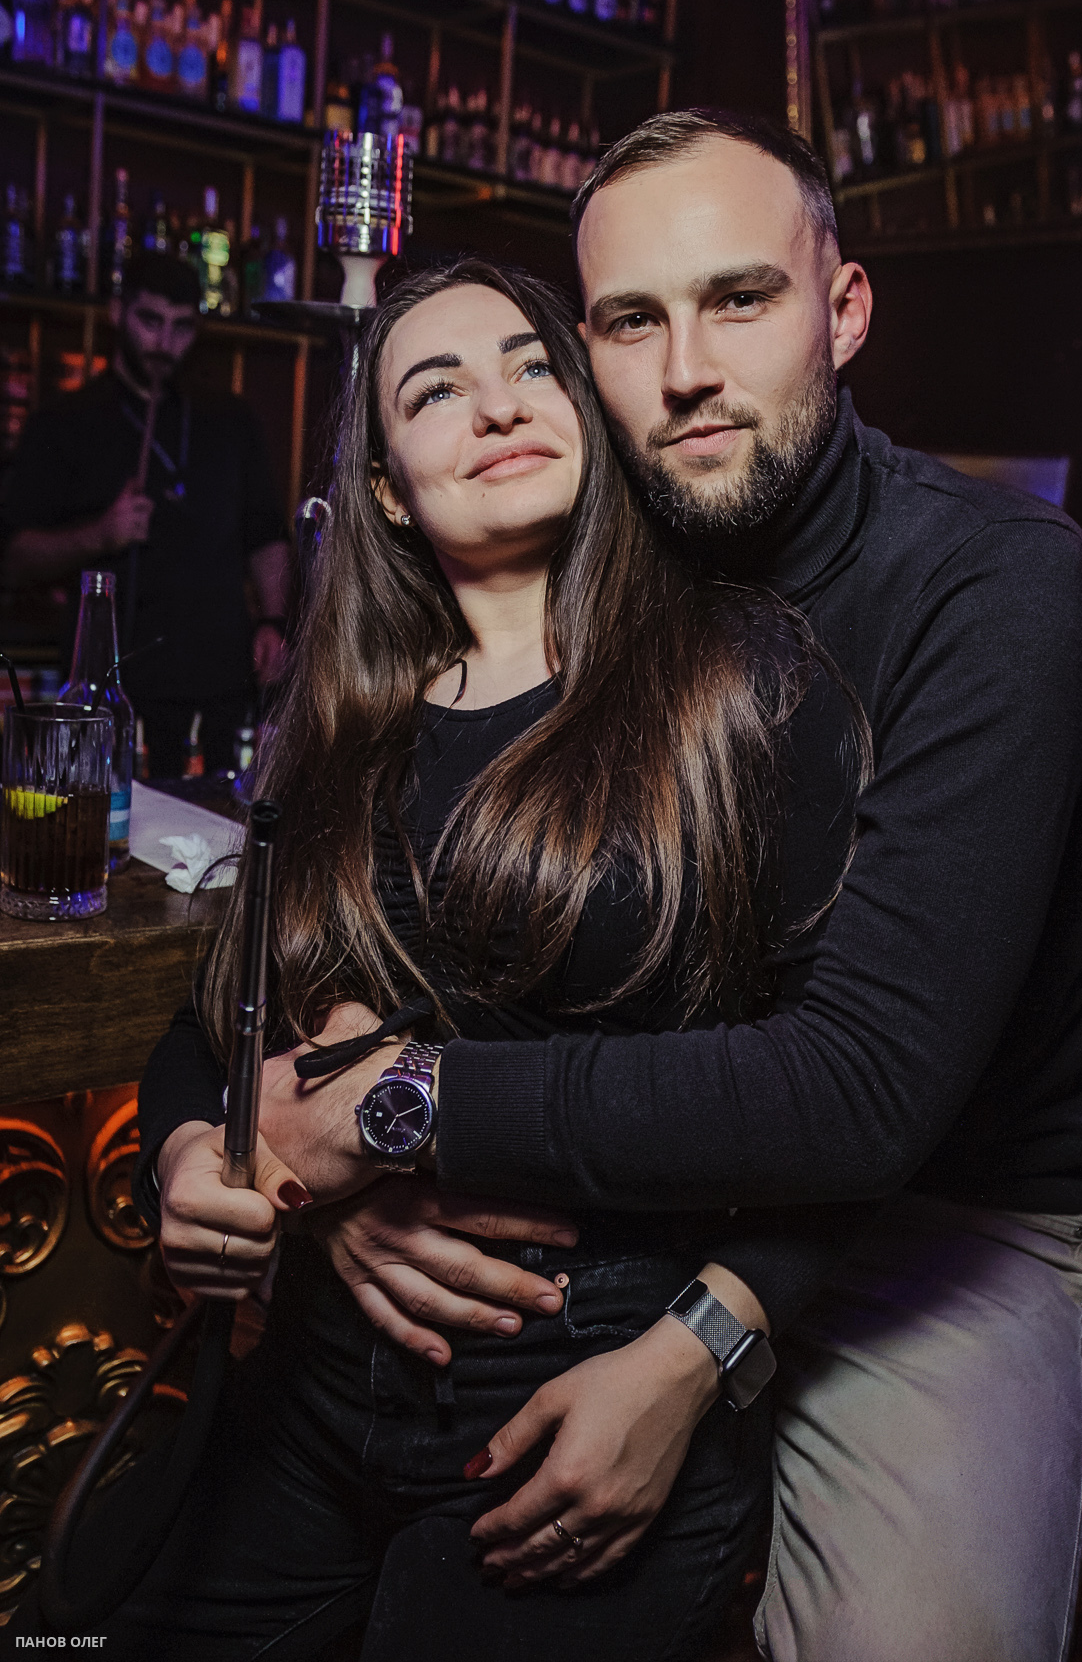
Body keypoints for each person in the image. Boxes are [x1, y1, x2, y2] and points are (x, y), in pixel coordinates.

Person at [134, 111, 1082, 1662]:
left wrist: (685, 1333)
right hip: (635, 1201)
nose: (686, 370)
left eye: (741, 300)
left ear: (844, 310)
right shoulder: (594, 570)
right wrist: (316, 1181)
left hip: (954, 1215)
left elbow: (864, 1091)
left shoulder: (994, 589)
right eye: (626, 321)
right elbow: (339, 985)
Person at [50, 256, 871, 1659]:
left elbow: (844, 1099)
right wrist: (190, 1159)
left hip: (579, 1402)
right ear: (384, 488)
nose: (497, 405)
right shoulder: (344, 723)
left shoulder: (737, 686)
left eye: (531, 365)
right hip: (303, 1396)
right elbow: (212, 1030)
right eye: (436, 390)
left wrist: (696, 1357)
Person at [0, 251, 290, 775]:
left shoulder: (230, 420)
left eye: (181, 327)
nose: (164, 343)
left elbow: (265, 535)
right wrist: (100, 534)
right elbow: (15, 557)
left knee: (214, 815)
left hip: (219, 682)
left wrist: (274, 621)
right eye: (150, 321)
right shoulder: (65, 422)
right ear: (117, 312)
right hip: (112, 686)